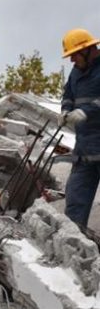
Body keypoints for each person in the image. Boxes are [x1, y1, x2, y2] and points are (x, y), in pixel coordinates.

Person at [59, 29, 100, 228]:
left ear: (87, 49)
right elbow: (68, 94)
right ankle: (73, 250)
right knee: (74, 204)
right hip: (84, 151)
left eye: (74, 54)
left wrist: (87, 111)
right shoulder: (76, 72)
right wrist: (66, 110)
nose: (72, 60)